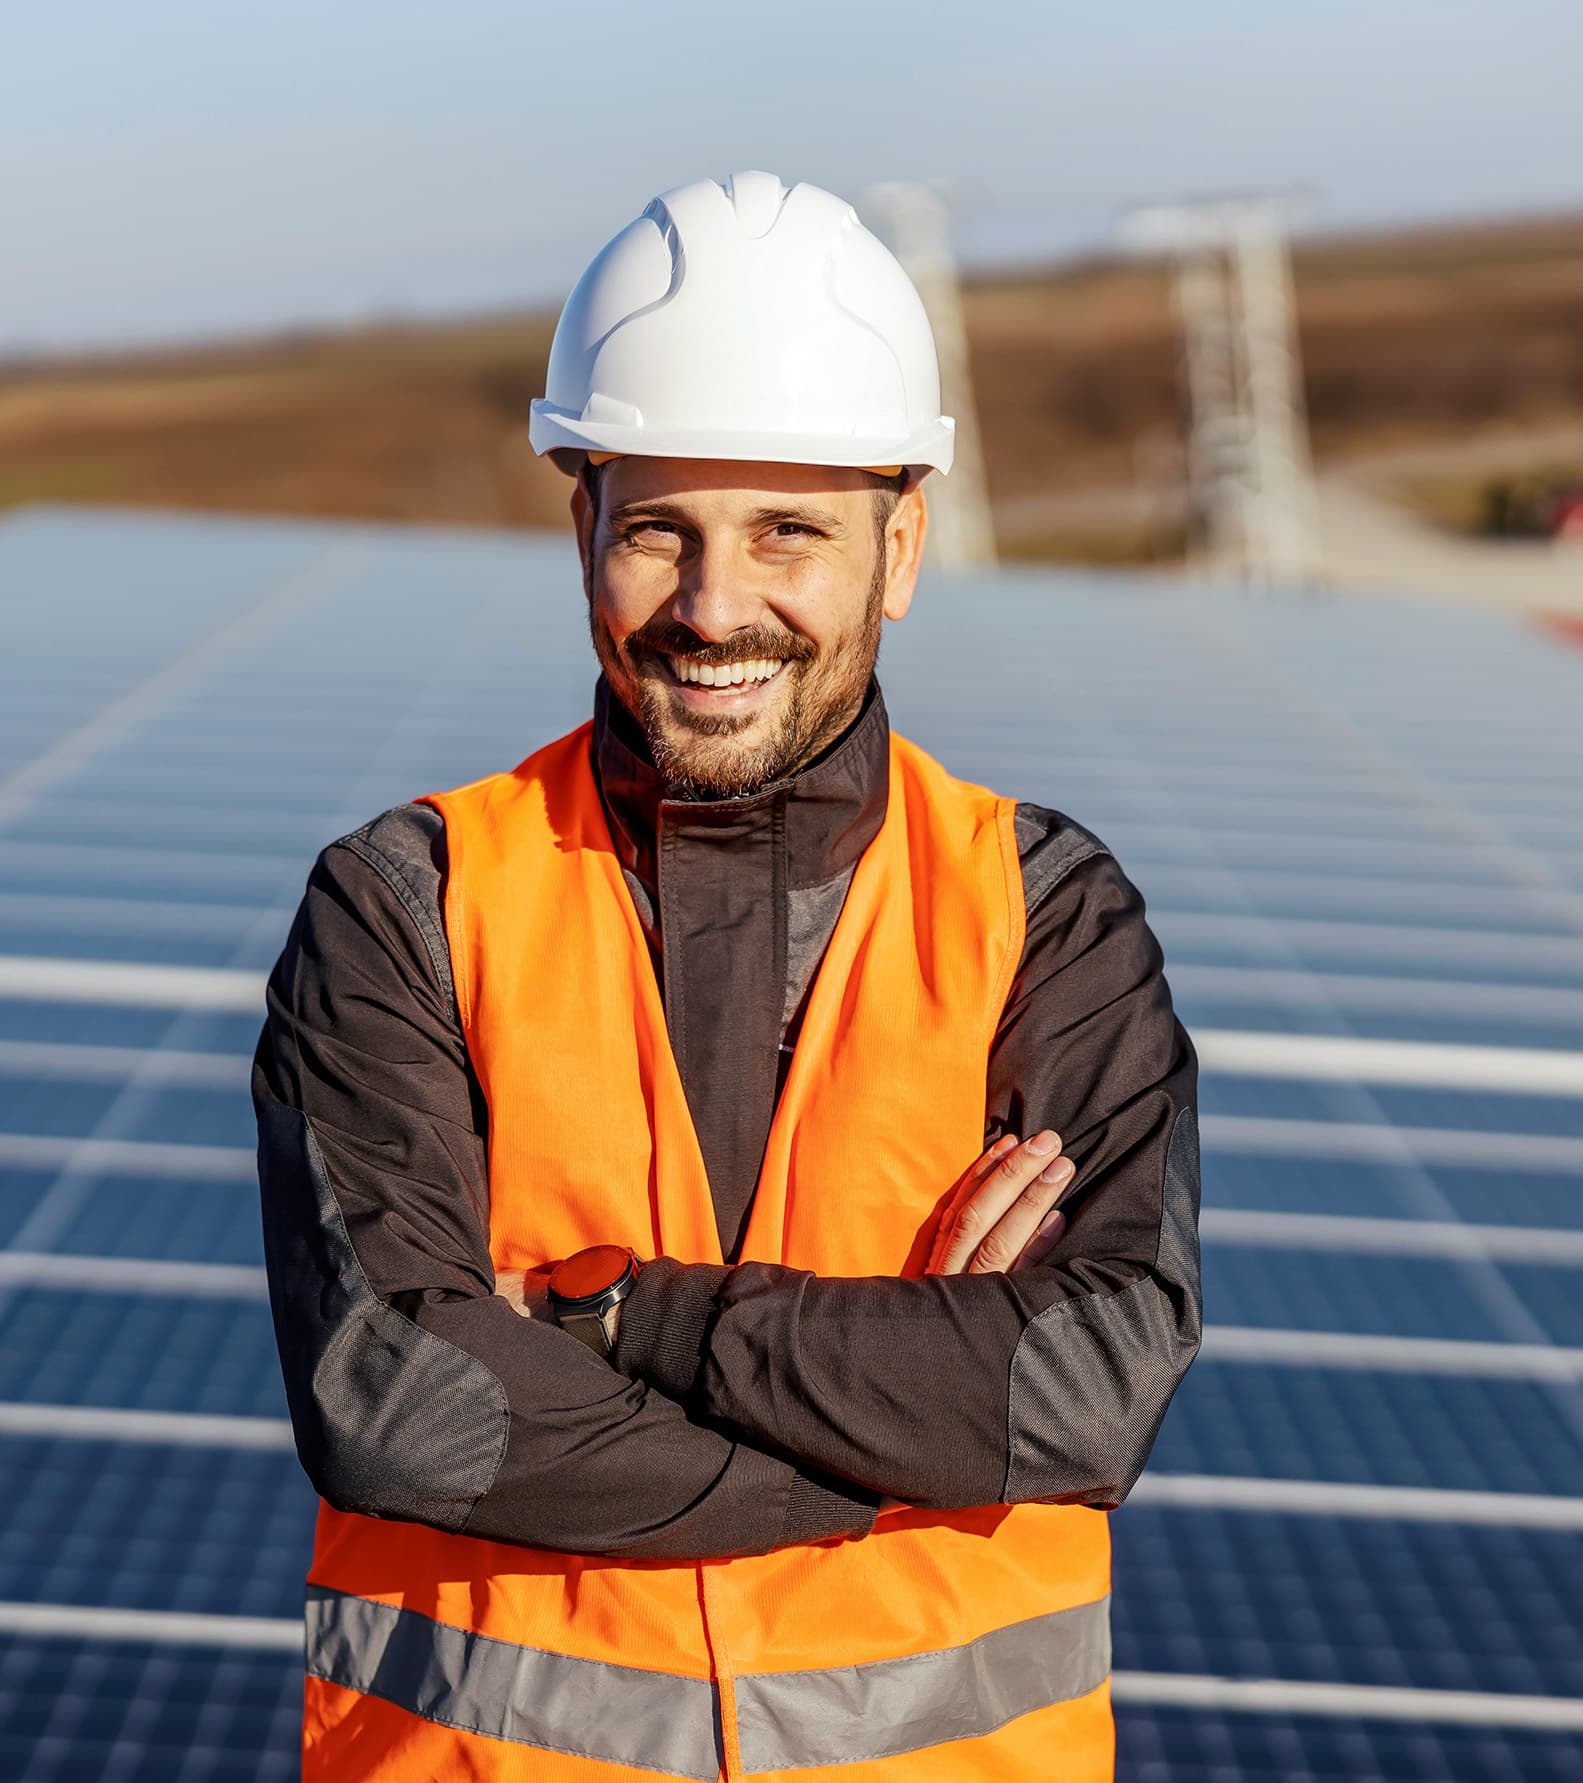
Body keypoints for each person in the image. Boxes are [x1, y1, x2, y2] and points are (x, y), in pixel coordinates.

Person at [254, 170, 1201, 1782]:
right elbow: (411, 1410)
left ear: (899, 550)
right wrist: (913, 1423)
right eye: (660, 534)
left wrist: (627, 1319)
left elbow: (1086, 1395)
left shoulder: (1044, 912)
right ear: (583, 535)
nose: (715, 609)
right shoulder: (406, 903)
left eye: (791, 535)